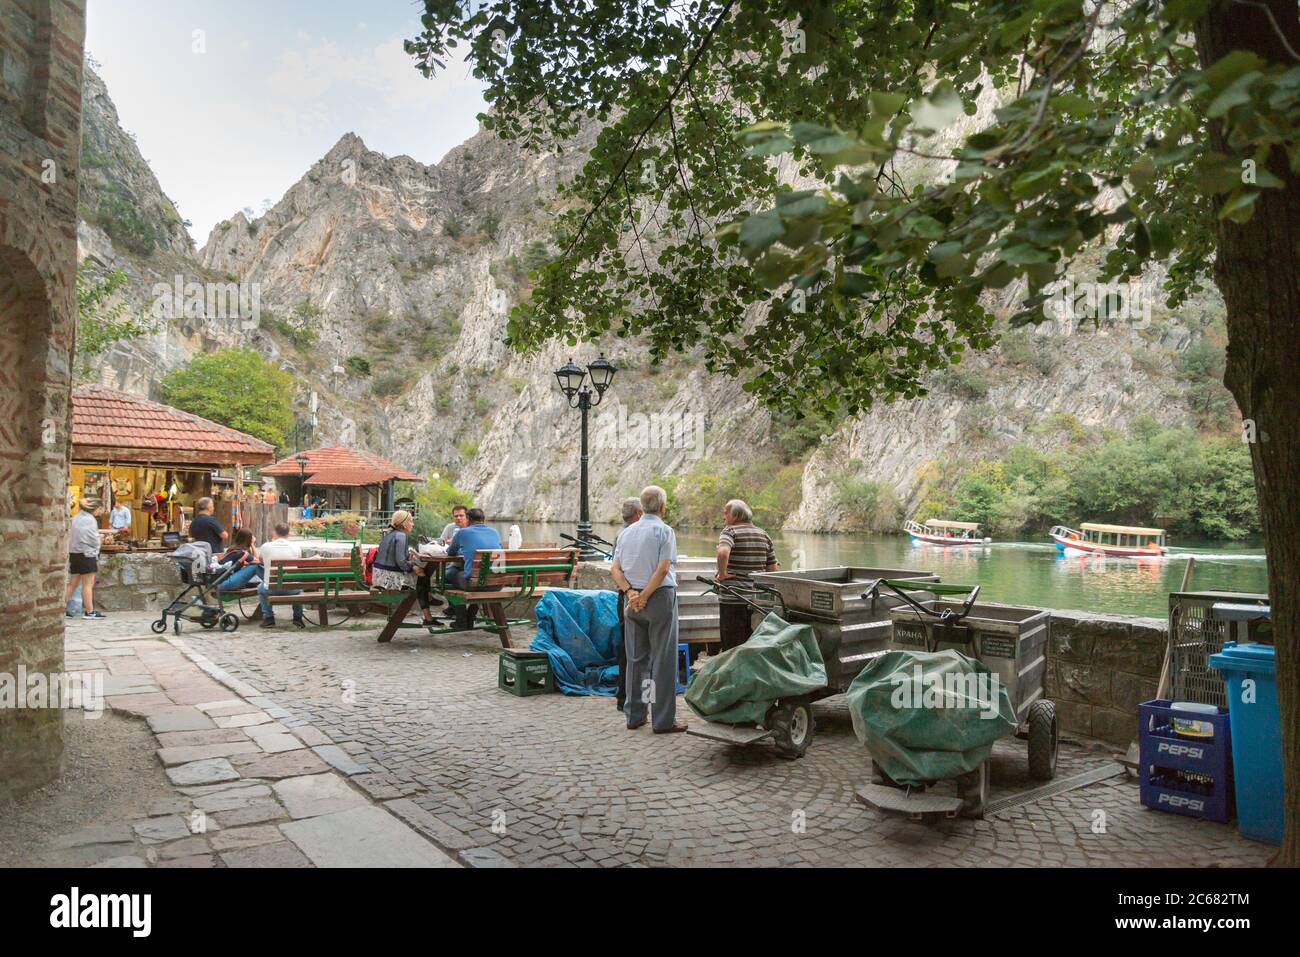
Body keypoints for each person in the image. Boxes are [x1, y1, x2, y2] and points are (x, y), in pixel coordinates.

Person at [611, 485, 684, 733]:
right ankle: (663, 721)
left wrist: (631, 593)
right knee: (662, 660)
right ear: (663, 507)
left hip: (630, 602)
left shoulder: (626, 533)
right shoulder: (665, 531)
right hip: (659, 598)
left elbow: (615, 570)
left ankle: (635, 715)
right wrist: (645, 595)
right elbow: (663, 569)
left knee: (637, 661)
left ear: (641, 508)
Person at [715, 499, 779, 652]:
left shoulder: (730, 531)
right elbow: (773, 572)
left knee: (732, 648)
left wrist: (722, 574)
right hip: (758, 602)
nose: (723, 517)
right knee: (753, 646)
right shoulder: (764, 535)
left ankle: (733, 675)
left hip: (732, 600)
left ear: (736, 516)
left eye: (726, 513)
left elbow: (723, 552)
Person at [372, 510, 440, 628]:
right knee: (422, 575)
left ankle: (428, 607)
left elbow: (395, 558)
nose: (413, 524)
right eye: (411, 521)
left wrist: (410, 561)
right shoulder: (401, 536)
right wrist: (412, 567)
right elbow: (401, 563)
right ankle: (428, 605)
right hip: (389, 579)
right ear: (403, 523)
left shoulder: (391, 533)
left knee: (421, 574)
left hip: (380, 575)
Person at [445, 507, 503, 629]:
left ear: (468, 519)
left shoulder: (462, 532)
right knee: (478, 578)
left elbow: (450, 552)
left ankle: (461, 620)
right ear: (484, 519)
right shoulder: (495, 532)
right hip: (497, 583)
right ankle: (470, 616)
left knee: (449, 574)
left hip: (474, 583)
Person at [613, 496, 643, 712]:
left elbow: (617, 568)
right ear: (639, 513)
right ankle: (635, 697)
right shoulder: (634, 534)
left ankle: (623, 696)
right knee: (641, 650)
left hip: (624, 594)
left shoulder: (620, 534)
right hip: (636, 595)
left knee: (626, 646)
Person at [65, 499, 112, 620]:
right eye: (100, 510)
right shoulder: (90, 520)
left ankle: (61, 609)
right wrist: (100, 538)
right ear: (95, 509)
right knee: (88, 584)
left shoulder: (76, 518)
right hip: (87, 554)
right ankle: (90, 612)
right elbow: (92, 539)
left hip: (75, 553)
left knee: (73, 583)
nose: (100, 512)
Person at [258, 522, 305, 628]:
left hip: (271, 588)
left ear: (274, 532)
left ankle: (269, 618)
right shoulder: (296, 547)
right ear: (288, 534)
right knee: (299, 589)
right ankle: (298, 619)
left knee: (260, 588)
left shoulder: (266, 546)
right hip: (291, 589)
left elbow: (261, 560)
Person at [218, 527, 263, 592]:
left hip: (222, 581)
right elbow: (257, 561)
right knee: (255, 567)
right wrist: (252, 544)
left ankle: (268, 583)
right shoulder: (240, 552)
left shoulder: (234, 549)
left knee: (258, 579)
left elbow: (249, 562)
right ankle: (270, 583)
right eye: (252, 537)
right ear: (248, 539)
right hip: (224, 583)